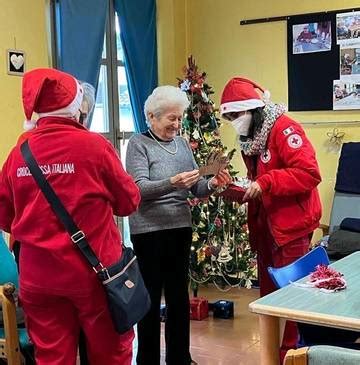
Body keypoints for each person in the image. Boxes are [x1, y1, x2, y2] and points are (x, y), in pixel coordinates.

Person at [0, 68, 140, 365]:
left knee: (51, 357)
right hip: (95, 274)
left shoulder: (18, 153)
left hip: (38, 277)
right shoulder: (95, 147)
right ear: (78, 107)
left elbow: (4, 216)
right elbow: (129, 202)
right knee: (111, 354)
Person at [126, 85, 231, 365]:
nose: (177, 124)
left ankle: (179, 358)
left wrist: (211, 183)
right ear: (152, 117)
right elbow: (139, 190)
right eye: (171, 118)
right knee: (149, 298)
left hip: (179, 228)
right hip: (148, 231)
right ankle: (146, 359)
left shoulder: (182, 144)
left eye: (179, 118)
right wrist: (171, 182)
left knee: (178, 298)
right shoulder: (138, 144)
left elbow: (196, 186)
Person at [220, 77, 322, 361]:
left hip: (290, 227)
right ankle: (271, 354)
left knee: (291, 297)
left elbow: (309, 173)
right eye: (228, 117)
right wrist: (235, 188)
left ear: (254, 109)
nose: (233, 121)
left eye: (236, 115)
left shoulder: (284, 129)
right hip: (265, 226)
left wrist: (265, 183)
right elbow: (256, 181)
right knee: (269, 298)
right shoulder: (250, 137)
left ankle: (290, 354)